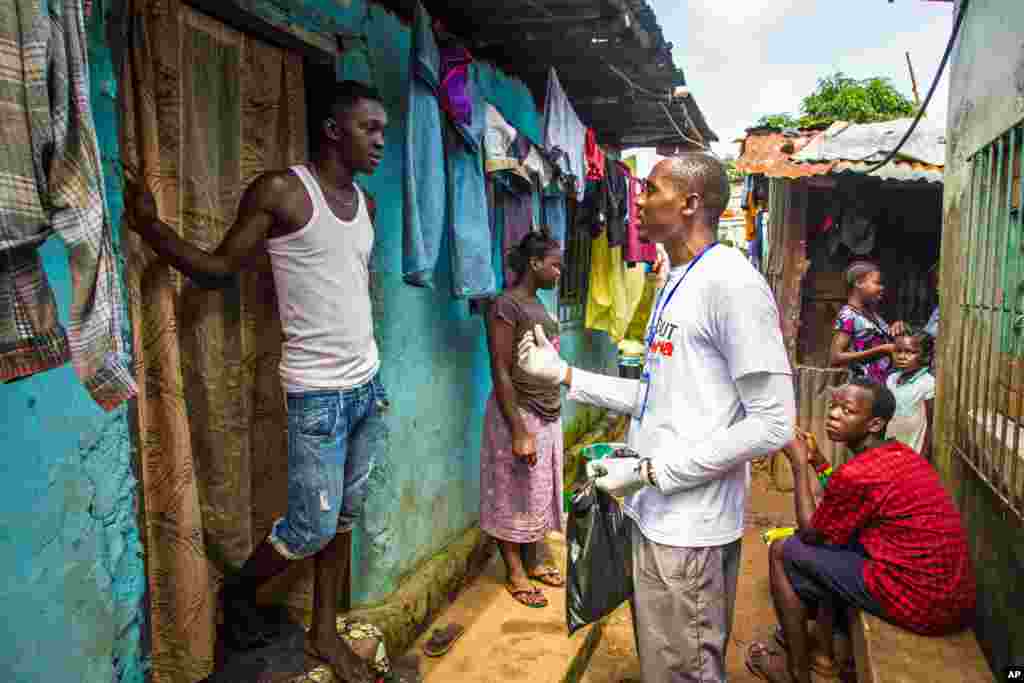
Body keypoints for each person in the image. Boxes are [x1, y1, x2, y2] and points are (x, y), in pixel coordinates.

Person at [123, 81, 388, 682]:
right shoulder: (282, 191)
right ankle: (237, 598)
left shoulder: (366, 205)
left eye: (383, 132)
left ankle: (324, 632)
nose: (379, 142)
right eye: (369, 128)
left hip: (367, 388)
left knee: (345, 519)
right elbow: (218, 270)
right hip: (316, 395)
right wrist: (150, 228)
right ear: (332, 129)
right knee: (310, 526)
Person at [518, 153, 795, 682]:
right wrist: (567, 375)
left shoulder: (730, 284)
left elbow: (774, 422)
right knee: (663, 663)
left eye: (651, 189)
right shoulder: (677, 278)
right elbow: (656, 394)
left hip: (690, 529)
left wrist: (649, 472)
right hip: (655, 516)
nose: (637, 201)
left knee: (682, 670)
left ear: (691, 203)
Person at [746, 378, 976, 683]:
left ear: (874, 423)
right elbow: (843, 504)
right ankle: (823, 654)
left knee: (782, 550)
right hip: (950, 598)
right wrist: (818, 461)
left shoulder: (860, 472)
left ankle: (797, 673)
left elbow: (812, 531)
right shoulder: (899, 455)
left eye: (847, 410)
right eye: (834, 406)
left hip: (921, 601)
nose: (834, 414)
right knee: (838, 542)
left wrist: (800, 464)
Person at [482, 228, 566, 608]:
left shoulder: (540, 306)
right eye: (554, 265)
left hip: (546, 411)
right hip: (518, 413)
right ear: (534, 264)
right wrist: (518, 430)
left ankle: (532, 561)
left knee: (536, 491)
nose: (559, 272)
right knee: (512, 492)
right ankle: (514, 570)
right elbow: (500, 368)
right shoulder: (506, 305)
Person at [829, 261, 907, 384]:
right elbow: (836, 357)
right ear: (858, 283)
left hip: (881, 386)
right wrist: (881, 350)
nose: (882, 288)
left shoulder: (874, 316)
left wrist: (897, 328)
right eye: (877, 283)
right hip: (863, 389)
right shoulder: (849, 315)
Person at [886, 331, 936, 459]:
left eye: (910, 352)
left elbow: (931, 425)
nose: (902, 356)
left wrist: (923, 457)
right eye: (898, 351)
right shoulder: (891, 379)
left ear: (925, 356)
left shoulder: (928, 383)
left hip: (913, 452)